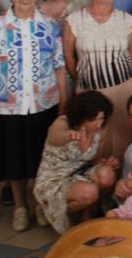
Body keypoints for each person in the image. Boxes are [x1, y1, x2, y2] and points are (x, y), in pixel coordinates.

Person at [0, 0, 67, 232]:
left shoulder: (49, 25)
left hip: (44, 103)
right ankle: (20, 207)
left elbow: (59, 66)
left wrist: (63, 101)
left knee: (41, 157)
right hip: (8, 105)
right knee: (14, 160)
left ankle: (39, 203)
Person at [64, 0, 132, 158]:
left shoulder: (126, 20)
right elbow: (69, 57)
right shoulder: (74, 21)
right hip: (89, 92)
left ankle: (126, 183)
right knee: (94, 143)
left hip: (125, 89)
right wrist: (86, 78)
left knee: (127, 140)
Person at [33, 91, 118, 233]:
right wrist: (69, 135)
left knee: (106, 174)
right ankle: (50, 208)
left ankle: (87, 216)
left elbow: (93, 159)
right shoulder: (62, 122)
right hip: (54, 179)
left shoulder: (101, 129)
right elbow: (55, 137)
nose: (98, 124)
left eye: (101, 118)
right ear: (81, 117)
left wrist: (108, 161)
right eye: (93, 119)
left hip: (79, 174)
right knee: (89, 192)